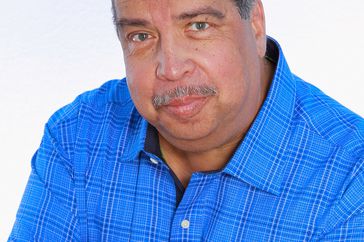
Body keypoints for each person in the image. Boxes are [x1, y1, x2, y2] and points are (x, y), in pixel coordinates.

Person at [9, 0, 364, 241]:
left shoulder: (352, 180)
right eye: (142, 36)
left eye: (198, 25)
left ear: (255, 24)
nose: (172, 68)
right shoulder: (79, 135)